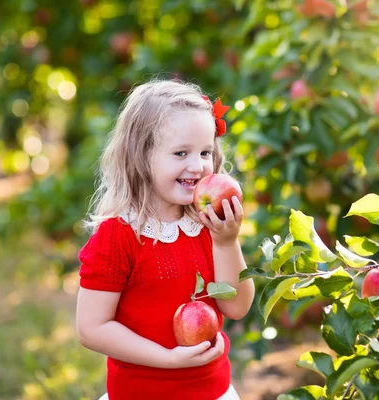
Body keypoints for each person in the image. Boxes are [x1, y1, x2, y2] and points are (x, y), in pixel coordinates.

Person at [75, 79, 255, 399]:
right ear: (142, 155)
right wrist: (167, 360)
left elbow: (238, 306)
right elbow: (91, 328)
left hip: (212, 392)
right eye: (181, 152)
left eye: (205, 152)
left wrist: (227, 242)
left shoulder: (207, 224)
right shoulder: (120, 235)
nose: (197, 165)